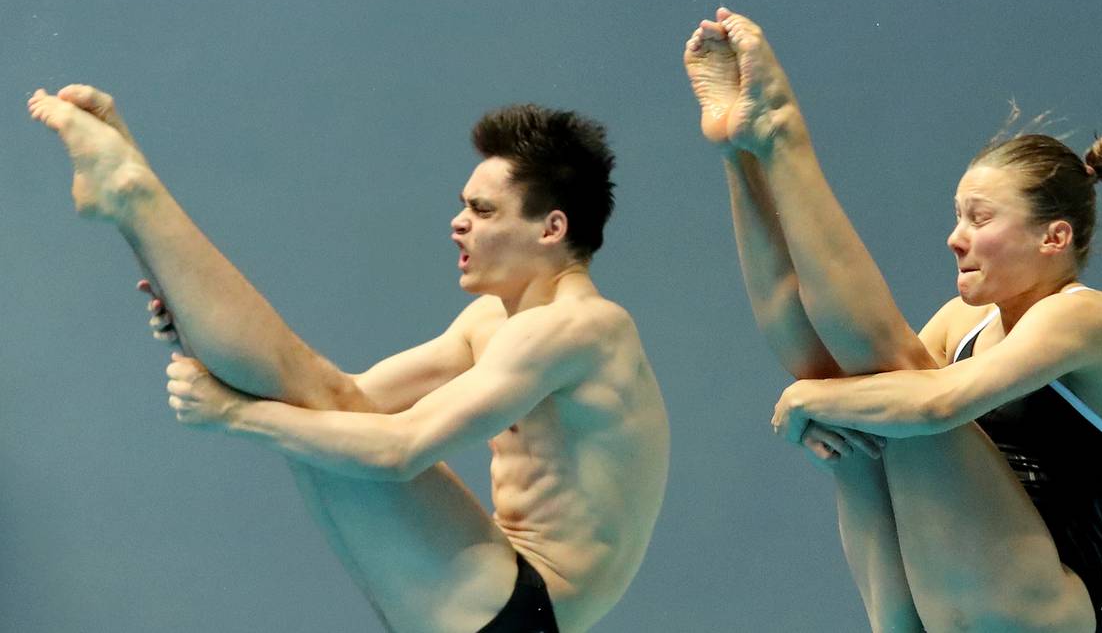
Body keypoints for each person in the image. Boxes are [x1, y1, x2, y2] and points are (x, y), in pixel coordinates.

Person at [27, 86, 669, 633]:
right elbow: (343, 399)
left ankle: (134, 192)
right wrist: (196, 332)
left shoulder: (582, 329)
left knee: (298, 409)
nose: (457, 224)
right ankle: (132, 195)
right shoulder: (494, 321)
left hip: (519, 610)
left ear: (551, 229)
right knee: (308, 400)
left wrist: (235, 416)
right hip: (490, 593)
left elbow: (396, 452)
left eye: (481, 210)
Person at [684, 9, 1102, 633]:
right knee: (848, 393)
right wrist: (817, 398)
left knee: (891, 385)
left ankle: (781, 134)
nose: (954, 239)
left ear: (1055, 237)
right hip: (939, 605)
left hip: (1041, 609)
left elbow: (938, 406)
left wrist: (810, 402)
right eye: (957, 217)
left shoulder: (1089, 318)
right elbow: (828, 365)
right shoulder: (960, 323)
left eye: (980, 219)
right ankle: (745, 152)